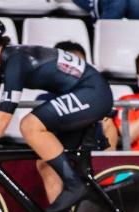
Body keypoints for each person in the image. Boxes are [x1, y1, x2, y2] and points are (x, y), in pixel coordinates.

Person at [0, 15, 114, 212]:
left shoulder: (15, 61)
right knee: (47, 165)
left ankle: (74, 184)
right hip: (82, 93)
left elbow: (4, 118)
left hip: (93, 93)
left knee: (29, 124)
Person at [33, 42, 118, 202]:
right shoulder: (45, 99)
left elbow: (108, 124)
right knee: (45, 165)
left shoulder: (96, 94)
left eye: (81, 64)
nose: (76, 70)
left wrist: (109, 152)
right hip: (64, 152)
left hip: (94, 149)